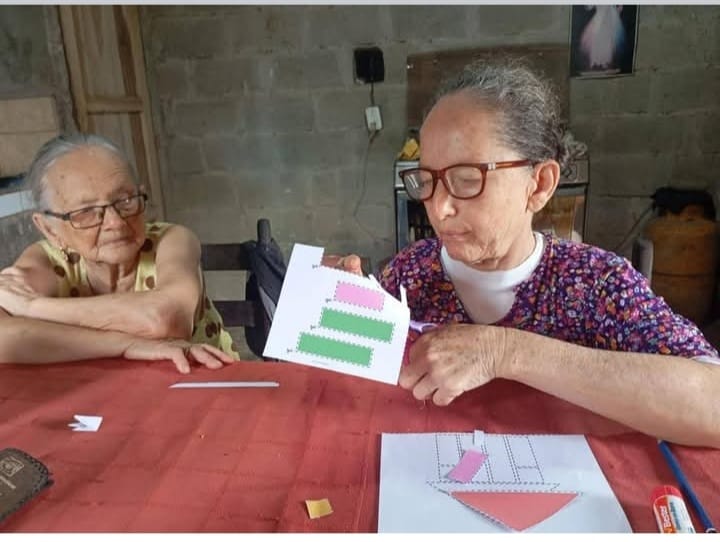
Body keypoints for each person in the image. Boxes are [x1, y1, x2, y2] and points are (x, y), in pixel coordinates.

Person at [331, 59, 720, 448]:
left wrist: (503, 351)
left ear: (539, 185)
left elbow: (712, 403)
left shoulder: (595, 284)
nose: (439, 208)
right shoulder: (411, 272)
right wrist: (331, 306)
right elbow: (354, 362)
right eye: (427, 181)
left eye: (466, 180)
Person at [0, 133, 238, 374]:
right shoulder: (45, 261)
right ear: (49, 229)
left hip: (200, 378)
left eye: (125, 200)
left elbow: (166, 319)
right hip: (102, 387)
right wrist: (126, 345)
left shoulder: (173, 240)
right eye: (86, 211)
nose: (115, 222)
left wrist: (33, 308)